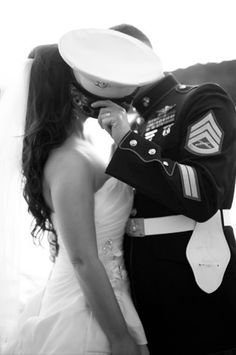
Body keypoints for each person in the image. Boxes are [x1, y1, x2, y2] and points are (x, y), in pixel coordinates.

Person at [0, 28, 164, 355]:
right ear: (69, 90)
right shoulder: (69, 161)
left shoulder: (86, 146)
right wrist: (118, 338)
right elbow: (83, 259)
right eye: (85, 76)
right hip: (84, 311)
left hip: (111, 296)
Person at [94, 24, 236, 355]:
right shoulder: (136, 119)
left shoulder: (201, 99)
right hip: (145, 283)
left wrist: (129, 142)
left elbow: (206, 193)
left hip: (191, 284)